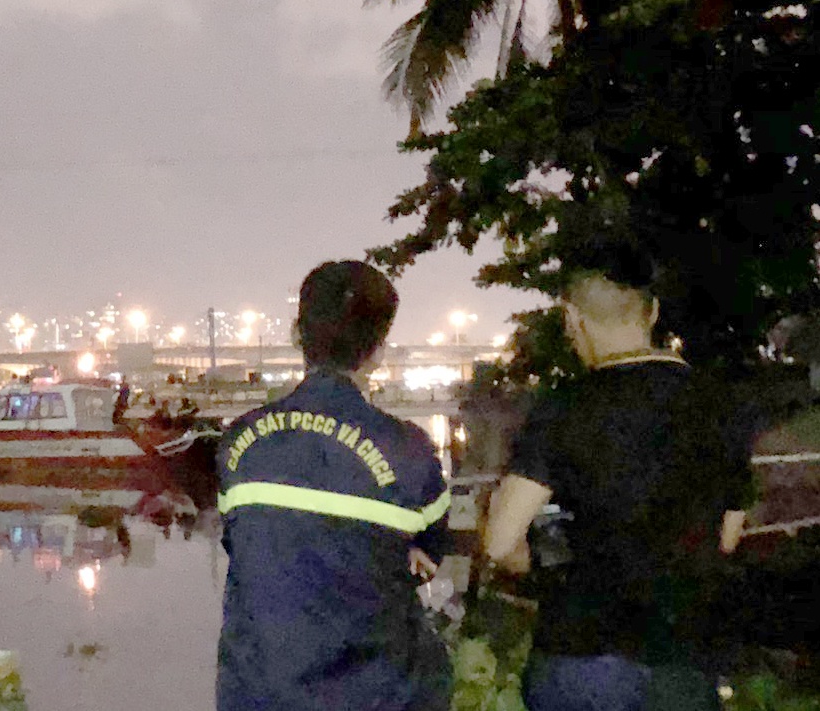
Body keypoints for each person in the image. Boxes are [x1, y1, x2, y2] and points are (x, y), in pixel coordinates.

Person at [483, 254, 756, 711]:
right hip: (683, 658)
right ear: (652, 313)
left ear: (572, 318)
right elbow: (727, 538)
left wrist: (532, 565)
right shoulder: (722, 406)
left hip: (581, 656)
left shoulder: (563, 409)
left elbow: (499, 541)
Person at [216, 260, 452, 711]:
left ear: (296, 335)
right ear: (379, 349)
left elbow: (248, 542)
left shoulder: (239, 445)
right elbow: (431, 551)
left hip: (260, 693)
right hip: (379, 693)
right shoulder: (408, 450)